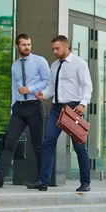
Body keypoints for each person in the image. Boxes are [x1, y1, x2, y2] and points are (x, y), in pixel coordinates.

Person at [26, 34, 93, 192]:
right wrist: (44, 94)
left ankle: (85, 182)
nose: (54, 51)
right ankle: (43, 181)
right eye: (53, 49)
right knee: (48, 142)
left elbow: (87, 86)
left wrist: (83, 104)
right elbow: (51, 86)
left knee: (79, 147)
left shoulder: (79, 63)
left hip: (74, 108)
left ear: (66, 46)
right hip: (57, 109)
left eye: (57, 48)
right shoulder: (55, 65)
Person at [0, 34, 50, 188]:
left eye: (29, 44)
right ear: (17, 46)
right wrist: (12, 109)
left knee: (38, 145)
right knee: (9, 143)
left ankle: (42, 181)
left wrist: (30, 89)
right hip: (19, 108)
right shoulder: (15, 66)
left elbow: (47, 81)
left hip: (35, 106)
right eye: (24, 45)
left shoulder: (40, 61)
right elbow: (14, 88)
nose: (27, 47)